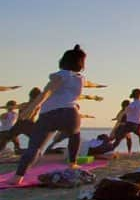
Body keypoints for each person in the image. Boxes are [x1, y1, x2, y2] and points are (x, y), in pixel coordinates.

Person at [10, 45, 106, 183]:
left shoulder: (61, 75)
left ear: (63, 61)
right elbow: (90, 84)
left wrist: (32, 108)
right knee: (74, 136)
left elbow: (47, 91)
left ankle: (18, 176)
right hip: (71, 114)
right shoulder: (80, 78)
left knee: (35, 147)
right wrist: (99, 86)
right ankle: (72, 163)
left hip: (50, 114)